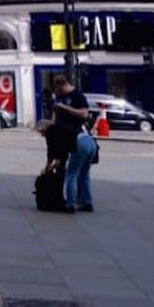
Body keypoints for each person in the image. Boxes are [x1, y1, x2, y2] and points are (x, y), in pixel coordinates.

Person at [52, 74, 96, 213]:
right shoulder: (59, 97)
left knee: (71, 174)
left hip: (78, 140)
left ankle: (71, 203)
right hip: (88, 141)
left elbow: (84, 114)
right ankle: (87, 202)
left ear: (62, 85)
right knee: (84, 173)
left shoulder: (78, 95)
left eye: (58, 89)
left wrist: (65, 108)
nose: (58, 93)